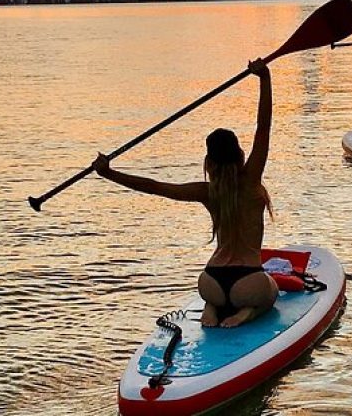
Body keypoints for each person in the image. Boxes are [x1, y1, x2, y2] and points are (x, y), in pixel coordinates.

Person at [92, 58, 278, 328]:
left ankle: (212, 308)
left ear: (209, 163)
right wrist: (265, 78)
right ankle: (246, 313)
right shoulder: (251, 181)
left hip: (210, 280)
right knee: (271, 292)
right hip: (248, 281)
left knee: (219, 298)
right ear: (240, 155)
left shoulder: (207, 192)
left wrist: (109, 173)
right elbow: (263, 127)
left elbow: (155, 187)